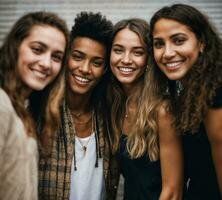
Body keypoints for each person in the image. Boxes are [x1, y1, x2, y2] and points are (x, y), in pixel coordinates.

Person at [38, 11, 119, 200]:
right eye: (78, 56)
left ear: (105, 69)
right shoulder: (39, 112)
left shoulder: (110, 117)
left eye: (96, 62)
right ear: (66, 57)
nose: (84, 69)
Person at [149, 3, 222, 199]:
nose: (167, 53)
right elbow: (172, 191)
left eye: (179, 40)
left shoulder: (216, 95)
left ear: (202, 43)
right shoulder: (183, 100)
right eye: (158, 44)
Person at [107, 18, 183, 200]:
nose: (126, 60)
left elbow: (173, 192)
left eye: (137, 52)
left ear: (149, 58)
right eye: (118, 50)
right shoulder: (115, 104)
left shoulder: (163, 110)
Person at [0, 11, 69, 200]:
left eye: (56, 57)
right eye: (37, 49)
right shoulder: (2, 105)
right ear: (15, 47)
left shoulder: (22, 109)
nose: (46, 63)